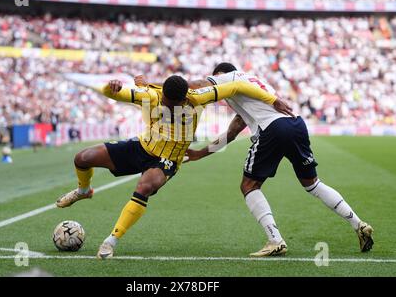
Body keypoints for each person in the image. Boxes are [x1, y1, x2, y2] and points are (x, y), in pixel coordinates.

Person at [55, 75, 293, 259]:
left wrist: (273, 100)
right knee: (82, 158)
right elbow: (115, 94)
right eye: (166, 102)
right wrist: (112, 87)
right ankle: (84, 191)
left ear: (184, 98)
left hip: (167, 160)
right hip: (141, 146)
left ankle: (111, 241)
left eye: (172, 104)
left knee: (145, 186)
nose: (168, 106)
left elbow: (238, 86)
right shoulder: (150, 95)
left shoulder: (198, 97)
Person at [185, 62, 374, 256]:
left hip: (273, 129)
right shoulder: (255, 87)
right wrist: (200, 153)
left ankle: (275, 240)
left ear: (220, 75)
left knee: (249, 186)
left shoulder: (228, 77)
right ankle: (359, 224)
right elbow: (232, 133)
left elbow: (196, 86)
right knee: (313, 184)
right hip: (295, 124)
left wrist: (163, 88)